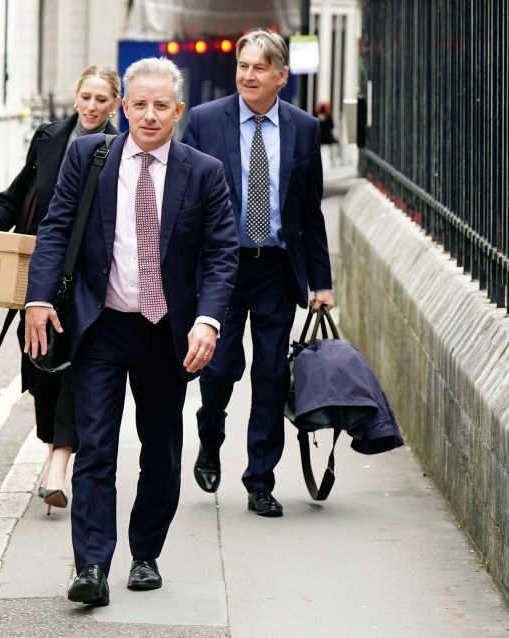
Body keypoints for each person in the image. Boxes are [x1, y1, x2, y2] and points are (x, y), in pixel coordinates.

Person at [24, 57, 239, 606]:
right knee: (95, 447)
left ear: (178, 112)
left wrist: (208, 321)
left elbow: (220, 255)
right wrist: (39, 298)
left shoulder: (203, 172)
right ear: (125, 107)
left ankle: (145, 553)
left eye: (160, 106)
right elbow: (54, 228)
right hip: (101, 326)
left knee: (162, 451)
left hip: (166, 332)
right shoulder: (88, 157)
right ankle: (92, 565)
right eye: (138, 104)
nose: (148, 115)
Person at [181, 29, 334, 517]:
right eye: (243, 66)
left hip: (274, 268)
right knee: (219, 366)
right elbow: (183, 203)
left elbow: (310, 212)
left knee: (270, 377)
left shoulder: (304, 129)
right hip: (221, 268)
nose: (248, 75)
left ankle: (259, 481)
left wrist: (322, 283)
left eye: (259, 68)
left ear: (281, 77)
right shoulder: (205, 122)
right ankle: (210, 436)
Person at [0, 66, 121, 514]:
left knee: (78, 367)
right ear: (76, 96)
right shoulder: (49, 137)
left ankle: (58, 463)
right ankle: (54, 448)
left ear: (115, 104)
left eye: (102, 99)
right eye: (87, 97)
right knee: (41, 368)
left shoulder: (119, 148)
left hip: (90, 282)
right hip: (41, 276)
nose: (93, 106)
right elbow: (18, 196)